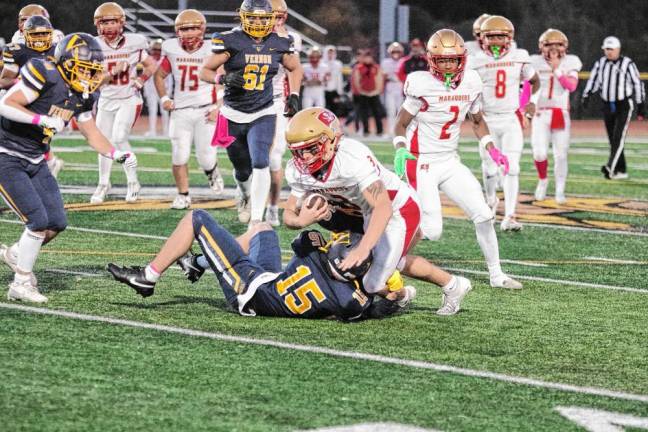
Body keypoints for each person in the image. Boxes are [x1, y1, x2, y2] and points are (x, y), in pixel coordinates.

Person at [282, 107, 472, 316]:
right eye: (299, 151)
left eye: (312, 148)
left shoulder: (352, 158)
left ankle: (441, 288)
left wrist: (364, 249)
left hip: (398, 209)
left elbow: (383, 207)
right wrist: (300, 221)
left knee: (371, 282)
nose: (306, 157)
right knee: (392, 262)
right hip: (361, 212)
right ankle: (446, 286)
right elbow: (289, 213)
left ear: (333, 139)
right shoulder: (296, 170)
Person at [0, 33, 137, 303]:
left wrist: (115, 153)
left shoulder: (82, 94)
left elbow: (90, 131)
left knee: (57, 222)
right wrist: (40, 119)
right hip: (6, 154)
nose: (87, 75)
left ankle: (15, 254)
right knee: (38, 221)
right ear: (65, 62)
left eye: (92, 70)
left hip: (36, 159)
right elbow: (6, 104)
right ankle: (21, 283)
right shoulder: (46, 73)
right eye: (83, 68)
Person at [392, 29, 523, 290]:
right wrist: (400, 148)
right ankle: (386, 253)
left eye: (451, 59)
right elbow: (401, 123)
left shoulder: (472, 81)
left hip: (449, 161)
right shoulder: (421, 83)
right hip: (422, 162)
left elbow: (477, 121)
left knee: (484, 215)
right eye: (441, 60)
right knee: (432, 230)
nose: (447, 65)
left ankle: (496, 275)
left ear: (462, 58)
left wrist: (492, 149)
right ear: (431, 59)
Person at [107, 209, 404, 321]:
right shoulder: (351, 300)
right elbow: (366, 304)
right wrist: (392, 298)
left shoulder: (313, 248)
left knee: (196, 218)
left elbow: (305, 239)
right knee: (262, 228)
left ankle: (148, 276)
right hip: (271, 282)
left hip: (248, 291)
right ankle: (199, 262)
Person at [199, 0, 303, 225]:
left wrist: (294, 94)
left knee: (261, 162)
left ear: (271, 19)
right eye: (253, 18)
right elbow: (205, 71)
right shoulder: (230, 40)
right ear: (243, 18)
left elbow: (295, 68)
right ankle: (244, 195)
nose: (257, 23)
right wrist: (223, 78)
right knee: (242, 170)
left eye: (263, 18)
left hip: (263, 112)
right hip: (232, 113)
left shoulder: (280, 42)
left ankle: (257, 218)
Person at [467, 15, 540, 231]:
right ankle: (491, 199)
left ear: (509, 37)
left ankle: (510, 215)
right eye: (492, 36)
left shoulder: (520, 56)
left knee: (513, 167)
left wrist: (531, 102)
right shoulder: (475, 60)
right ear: (482, 38)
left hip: (510, 119)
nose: (497, 41)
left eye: (501, 36)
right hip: (487, 120)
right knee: (490, 169)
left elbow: (534, 81)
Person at [154, 10, 224, 210]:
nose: (189, 32)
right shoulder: (173, 51)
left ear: (202, 29)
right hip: (181, 111)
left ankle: (212, 172)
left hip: (206, 110)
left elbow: (221, 80)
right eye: (185, 28)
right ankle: (183, 194)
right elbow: (159, 75)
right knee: (179, 154)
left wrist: (218, 107)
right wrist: (165, 97)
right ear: (177, 31)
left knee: (206, 157)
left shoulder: (213, 50)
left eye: (193, 28)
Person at [90, 2, 158, 204]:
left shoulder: (134, 42)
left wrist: (140, 80)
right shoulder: (94, 45)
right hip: (106, 100)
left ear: (121, 23)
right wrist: (112, 72)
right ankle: (103, 184)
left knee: (119, 137)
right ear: (97, 24)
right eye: (105, 22)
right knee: (103, 144)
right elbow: (94, 82)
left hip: (129, 99)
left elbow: (151, 65)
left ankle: (133, 182)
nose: (109, 27)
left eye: (112, 22)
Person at [0, 15, 65, 178]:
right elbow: (4, 81)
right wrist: (21, 80)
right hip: (23, 98)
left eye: (44, 34)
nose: (40, 38)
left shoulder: (57, 51)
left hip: (46, 101)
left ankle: (46, 167)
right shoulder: (17, 51)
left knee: (37, 138)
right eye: (36, 34)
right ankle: (49, 165)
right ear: (26, 35)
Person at [582, 36, 645, 180]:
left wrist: (641, 105)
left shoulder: (627, 64)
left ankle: (610, 167)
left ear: (618, 49)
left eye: (611, 49)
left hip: (623, 104)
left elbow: (637, 84)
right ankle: (621, 170)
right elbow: (594, 80)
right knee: (613, 139)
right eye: (606, 49)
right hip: (607, 104)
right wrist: (586, 95)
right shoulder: (601, 63)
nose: (608, 52)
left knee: (618, 137)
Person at [530, 29, 582, 203]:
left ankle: (560, 189)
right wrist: (524, 108)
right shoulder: (533, 62)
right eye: (549, 45)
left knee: (560, 155)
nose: (553, 49)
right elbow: (525, 87)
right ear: (541, 47)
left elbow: (572, 86)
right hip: (540, 112)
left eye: (557, 44)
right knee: (539, 153)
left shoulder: (571, 61)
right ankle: (543, 180)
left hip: (560, 113)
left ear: (564, 46)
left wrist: (557, 70)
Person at [267, 0, 303, 226]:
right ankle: (244, 189)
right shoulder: (245, 36)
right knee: (244, 159)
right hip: (247, 103)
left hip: (277, 101)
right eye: (274, 16)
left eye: (281, 16)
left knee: (274, 157)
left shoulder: (290, 39)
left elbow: (294, 69)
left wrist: (294, 97)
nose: (278, 20)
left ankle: (271, 206)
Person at [352, 50, 385, 136]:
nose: (367, 59)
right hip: (363, 94)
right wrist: (361, 91)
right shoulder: (359, 67)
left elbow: (379, 79)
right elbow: (356, 80)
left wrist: (377, 91)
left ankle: (379, 131)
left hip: (374, 93)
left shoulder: (376, 67)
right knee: (364, 113)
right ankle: (366, 131)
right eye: (366, 57)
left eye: (369, 57)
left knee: (377, 112)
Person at [142, 38, 170, 137]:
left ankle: (166, 131)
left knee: (165, 111)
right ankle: (152, 131)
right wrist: (146, 92)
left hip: (163, 89)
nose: (157, 51)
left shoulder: (165, 60)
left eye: (159, 49)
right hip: (151, 90)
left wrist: (168, 91)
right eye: (155, 49)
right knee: (152, 111)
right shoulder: (148, 61)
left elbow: (169, 78)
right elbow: (144, 77)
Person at [381, 42, 405, 136]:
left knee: (400, 110)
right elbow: (385, 75)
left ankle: (399, 131)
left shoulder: (403, 61)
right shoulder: (385, 62)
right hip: (390, 86)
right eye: (394, 51)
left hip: (400, 86)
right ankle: (391, 131)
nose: (396, 53)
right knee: (390, 110)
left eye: (397, 51)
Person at [323, 45, 344, 115]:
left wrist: (339, 93)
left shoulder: (338, 64)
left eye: (332, 53)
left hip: (333, 91)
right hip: (322, 91)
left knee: (334, 111)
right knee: (323, 111)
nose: (330, 55)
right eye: (329, 53)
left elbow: (339, 79)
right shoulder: (321, 63)